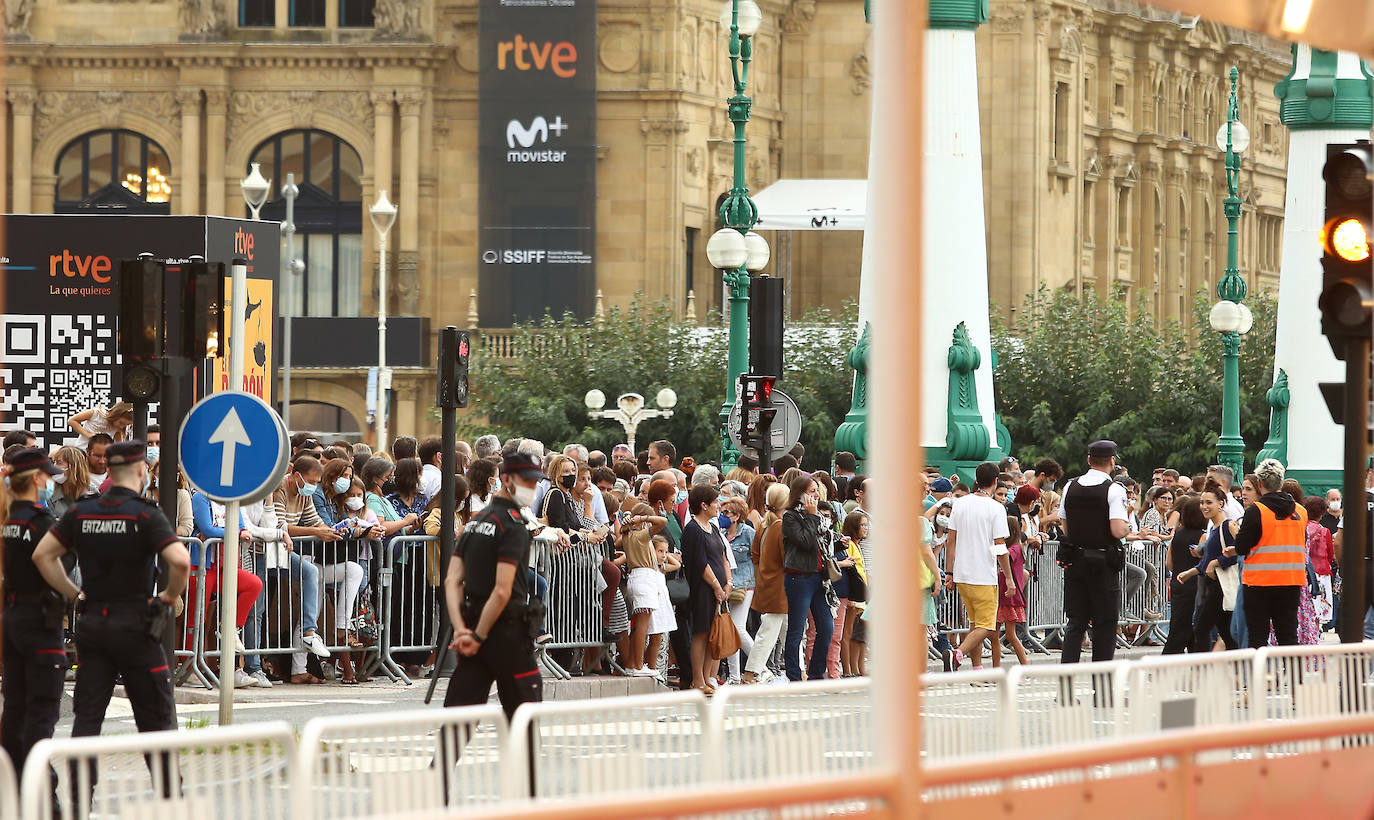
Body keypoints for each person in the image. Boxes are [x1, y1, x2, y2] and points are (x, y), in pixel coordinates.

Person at [32, 440, 191, 801]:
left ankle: (78, 800)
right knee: (155, 719)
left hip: (93, 625)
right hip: (136, 625)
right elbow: (180, 561)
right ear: (140, 471)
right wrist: (167, 597)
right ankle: (170, 799)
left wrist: (74, 593)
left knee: (87, 719)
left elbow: (44, 555)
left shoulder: (81, 512)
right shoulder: (145, 514)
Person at [442, 452, 547, 718]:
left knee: (457, 724)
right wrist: (477, 636)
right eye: (527, 482)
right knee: (524, 723)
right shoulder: (513, 525)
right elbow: (502, 591)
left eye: (535, 483)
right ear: (505, 479)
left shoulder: (477, 520)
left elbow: (452, 580)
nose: (532, 489)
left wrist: (462, 631)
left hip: (473, 622)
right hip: (505, 631)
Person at [1, 448, 65, 792]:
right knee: (41, 710)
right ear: (37, 479)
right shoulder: (41, 523)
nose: (51, 482)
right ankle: (42, 793)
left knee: (14, 708)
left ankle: (10, 789)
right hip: (40, 622)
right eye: (49, 476)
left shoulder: (7, 519)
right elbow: (52, 564)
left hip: (12, 618)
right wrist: (73, 592)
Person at [1057, 441, 1130, 664]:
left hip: (1076, 560)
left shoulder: (1070, 486)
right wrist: (1129, 527)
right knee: (1105, 625)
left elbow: (1065, 526)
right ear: (1112, 461)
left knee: (1075, 624)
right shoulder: (1114, 489)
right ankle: (1103, 689)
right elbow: (1117, 529)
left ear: (1089, 460)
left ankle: (1066, 690)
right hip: (1103, 562)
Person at [189, 491, 267, 688]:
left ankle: (231, 629)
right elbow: (207, 528)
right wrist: (234, 532)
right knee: (197, 616)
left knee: (253, 584)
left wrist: (229, 531)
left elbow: (240, 526)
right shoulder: (200, 497)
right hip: (202, 565)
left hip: (225, 565)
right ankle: (190, 668)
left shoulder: (232, 497)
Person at [1226, 459, 1306, 648]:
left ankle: (1259, 677)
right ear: (1281, 482)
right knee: (1288, 636)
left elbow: (1243, 546)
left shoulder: (1257, 510)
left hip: (1259, 583)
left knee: (1257, 637)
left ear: (1260, 484)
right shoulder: (1301, 511)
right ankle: (1295, 677)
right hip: (1291, 581)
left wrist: (1235, 536)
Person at [944, 462, 1013, 670]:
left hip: (962, 573)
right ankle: (957, 654)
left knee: (975, 623)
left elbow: (950, 541)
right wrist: (1009, 577)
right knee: (986, 625)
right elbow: (1000, 546)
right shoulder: (996, 508)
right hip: (983, 573)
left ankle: (976, 669)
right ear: (995, 481)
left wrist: (949, 572)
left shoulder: (961, 503)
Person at [781, 476, 832, 682]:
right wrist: (812, 517)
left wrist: (838, 544)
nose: (816, 495)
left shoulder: (819, 516)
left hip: (819, 578)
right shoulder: (790, 517)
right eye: (811, 491)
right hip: (799, 578)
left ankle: (816, 673)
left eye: (817, 491)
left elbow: (821, 547)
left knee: (826, 627)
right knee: (797, 627)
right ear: (800, 493)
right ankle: (793, 674)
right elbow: (805, 542)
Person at [681, 484, 730, 693]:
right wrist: (717, 586)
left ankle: (709, 676)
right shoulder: (693, 529)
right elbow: (701, 563)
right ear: (703, 505)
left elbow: (723, 557)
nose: (718, 506)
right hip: (703, 588)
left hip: (719, 587)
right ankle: (698, 679)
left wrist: (728, 582)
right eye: (715, 502)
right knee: (701, 633)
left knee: (713, 633)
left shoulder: (714, 528)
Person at [1182, 485, 1241, 652]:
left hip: (1221, 585)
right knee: (1226, 632)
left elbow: (1237, 553)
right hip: (1215, 583)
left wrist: (1216, 563)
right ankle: (1239, 671)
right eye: (1201, 502)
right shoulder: (1215, 528)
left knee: (1202, 628)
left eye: (1209, 502)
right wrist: (1191, 572)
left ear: (1220, 504)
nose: (1204, 506)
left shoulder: (1228, 526)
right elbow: (1207, 560)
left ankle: (1203, 670)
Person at [617, 503, 670, 676]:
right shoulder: (640, 535)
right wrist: (643, 518)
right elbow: (662, 521)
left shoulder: (628, 535)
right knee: (642, 626)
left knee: (640, 625)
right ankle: (638, 666)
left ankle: (633, 663)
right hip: (644, 579)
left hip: (638, 578)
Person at [745, 483, 789, 685]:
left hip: (767, 583)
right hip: (779, 586)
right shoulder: (780, 526)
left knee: (785, 630)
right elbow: (786, 558)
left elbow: (755, 556)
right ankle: (750, 673)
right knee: (770, 632)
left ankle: (799, 671)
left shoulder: (764, 524)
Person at [1162, 496, 1205, 654]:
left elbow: (1169, 563)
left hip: (1177, 584)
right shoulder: (1203, 536)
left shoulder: (1177, 535)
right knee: (1189, 626)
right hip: (1195, 586)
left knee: (1179, 622)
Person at [720, 496, 756, 684]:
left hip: (746, 583)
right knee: (731, 630)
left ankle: (760, 666)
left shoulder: (748, 532)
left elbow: (757, 556)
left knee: (737, 628)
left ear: (737, 516)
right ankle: (734, 676)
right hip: (728, 584)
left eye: (726, 513)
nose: (723, 516)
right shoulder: (721, 533)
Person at [994, 516, 1029, 668]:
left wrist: (995, 545)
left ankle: (1025, 667)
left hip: (1010, 599)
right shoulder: (1014, 547)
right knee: (994, 635)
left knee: (1010, 635)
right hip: (1001, 596)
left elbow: (1005, 555)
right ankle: (995, 669)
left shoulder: (1015, 548)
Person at [1304, 496, 1336, 629]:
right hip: (1322, 574)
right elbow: (1330, 554)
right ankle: (1316, 634)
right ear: (1322, 512)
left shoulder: (1302, 528)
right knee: (1319, 611)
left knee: (1308, 609)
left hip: (1306, 574)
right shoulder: (1324, 531)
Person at [49, 445, 93, 520]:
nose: (54, 467)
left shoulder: (92, 492)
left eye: (59, 463)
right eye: (54, 462)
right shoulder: (50, 493)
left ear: (73, 467)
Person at [66, 402, 133, 446]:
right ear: (115, 415)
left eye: (125, 425)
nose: (122, 426)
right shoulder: (96, 413)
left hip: (101, 456)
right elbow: (72, 420)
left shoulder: (118, 428)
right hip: (82, 449)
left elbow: (118, 445)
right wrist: (88, 434)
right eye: (121, 423)